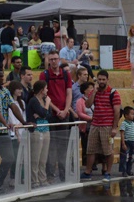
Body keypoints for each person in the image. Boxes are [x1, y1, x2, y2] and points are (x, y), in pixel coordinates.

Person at [0, 63, 26, 192]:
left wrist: (24, 121)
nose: (2, 79)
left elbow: (13, 107)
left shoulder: (5, 91)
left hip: (3, 131)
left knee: (9, 158)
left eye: (3, 76)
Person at [39, 44, 72, 182]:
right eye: (51, 59)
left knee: (63, 146)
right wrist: (56, 109)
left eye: (55, 59)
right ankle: (50, 176)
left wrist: (66, 110)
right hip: (51, 115)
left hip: (64, 114)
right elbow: (44, 95)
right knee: (51, 146)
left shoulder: (66, 74)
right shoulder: (44, 75)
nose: (53, 61)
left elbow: (69, 93)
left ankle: (64, 176)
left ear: (59, 59)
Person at [80, 70, 121, 182]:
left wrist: (114, 128)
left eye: (103, 79)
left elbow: (117, 111)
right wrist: (93, 93)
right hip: (95, 124)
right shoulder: (95, 91)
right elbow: (87, 105)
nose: (101, 81)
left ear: (107, 80)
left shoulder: (114, 93)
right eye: (100, 79)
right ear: (97, 80)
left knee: (108, 150)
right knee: (91, 149)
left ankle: (108, 171)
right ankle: (88, 172)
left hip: (107, 126)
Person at [27, 80, 51, 187]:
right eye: (46, 88)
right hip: (36, 131)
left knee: (43, 158)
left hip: (45, 130)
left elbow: (48, 115)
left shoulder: (44, 100)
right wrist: (46, 105)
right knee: (35, 158)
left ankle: (43, 179)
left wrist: (43, 113)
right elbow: (43, 113)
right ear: (42, 90)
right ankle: (34, 180)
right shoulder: (34, 101)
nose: (47, 90)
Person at [75, 81, 94, 167]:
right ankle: (86, 164)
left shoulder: (95, 99)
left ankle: (94, 163)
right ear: (85, 90)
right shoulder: (80, 101)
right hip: (86, 126)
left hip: (95, 125)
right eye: (90, 88)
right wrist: (91, 118)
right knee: (86, 145)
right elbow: (80, 113)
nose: (92, 89)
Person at [119, 107, 134, 177]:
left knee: (131, 157)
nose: (133, 115)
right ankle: (123, 171)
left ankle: (129, 170)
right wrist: (123, 143)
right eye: (132, 114)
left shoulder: (133, 123)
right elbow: (122, 133)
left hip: (132, 142)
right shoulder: (124, 123)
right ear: (126, 115)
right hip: (126, 142)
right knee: (124, 157)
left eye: (133, 114)